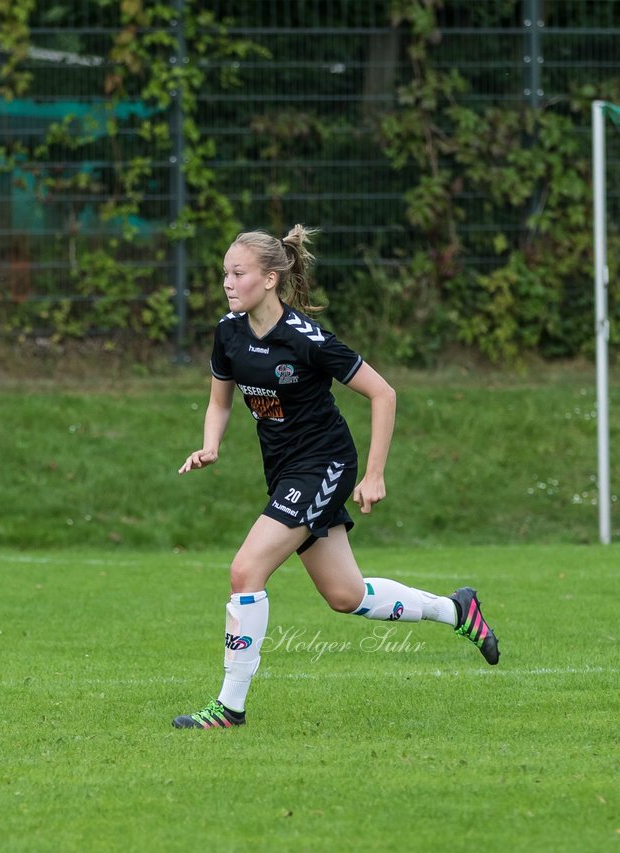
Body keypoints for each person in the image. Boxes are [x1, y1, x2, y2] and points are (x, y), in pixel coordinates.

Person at [172, 224, 499, 730]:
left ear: (271, 278)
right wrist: (210, 445)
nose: (228, 283)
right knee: (345, 595)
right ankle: (456, 611)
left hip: (324, 464)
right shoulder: (229, 331)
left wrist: (373, 474)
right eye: (224, 274)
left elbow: (383, 393)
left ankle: (228, 708)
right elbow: (219, 400)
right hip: (285, 471)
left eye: (238, 273)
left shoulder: (307, 339)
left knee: (245, 572)